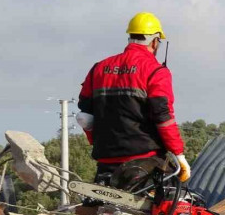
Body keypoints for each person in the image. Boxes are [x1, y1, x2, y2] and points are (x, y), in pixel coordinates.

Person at [77, 12, 190, 184]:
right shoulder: (156, 71)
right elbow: (163, 118)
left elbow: (84, 117)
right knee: (174, 203)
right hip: (145, 163)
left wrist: (98, 143)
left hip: (106, 162)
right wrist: (179, 154)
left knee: (103, 209)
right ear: (154, 41)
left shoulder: (99, 68)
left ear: (130, 37)